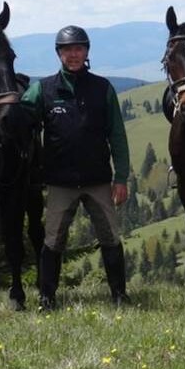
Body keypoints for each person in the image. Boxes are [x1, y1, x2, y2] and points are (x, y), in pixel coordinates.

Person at [21, 25, 132, 310]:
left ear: (86, 52)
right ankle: (47, 298)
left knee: (110, 237)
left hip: (97, 179)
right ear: (58, 53)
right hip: (60, 181)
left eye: (78, 49)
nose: (73, 54)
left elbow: (117, 135)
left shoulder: (102, 88)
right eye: (67, 49)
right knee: (53, 240)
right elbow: (19, 117)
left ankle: (119, 294)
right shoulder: (42, 89)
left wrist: (121, 177)